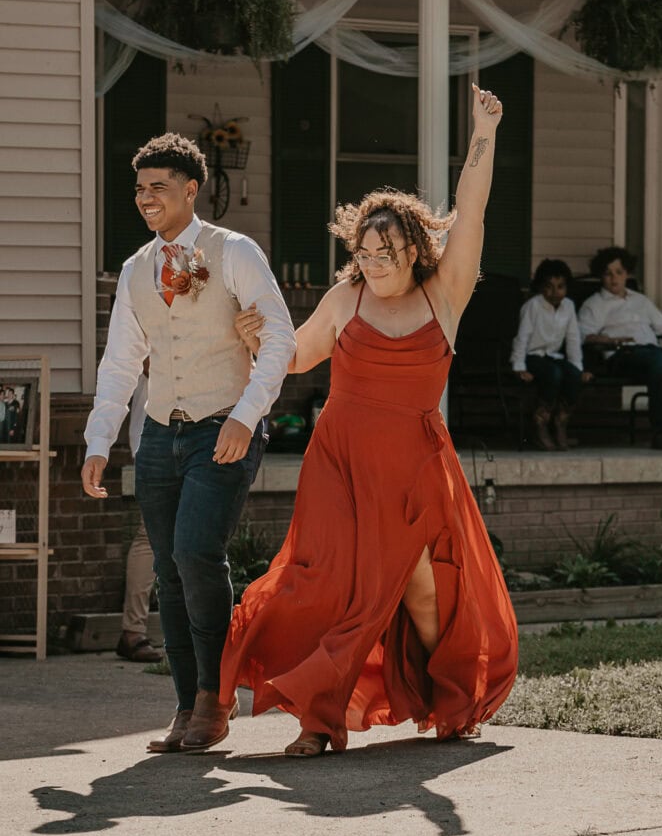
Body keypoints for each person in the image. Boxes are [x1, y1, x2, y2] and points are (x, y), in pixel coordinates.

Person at [223, 85, 518, 757]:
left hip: (413, 468)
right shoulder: (343, 296)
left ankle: (451, 699)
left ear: (412, 249)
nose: (373, 260)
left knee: (419, 591)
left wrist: (484, 131)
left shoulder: (443, 297)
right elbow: (297, 356)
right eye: (364, 250)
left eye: (385, 250)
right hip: (340, 462)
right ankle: (318, 721)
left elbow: (468, 211)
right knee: (324, 585)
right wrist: (255, 337)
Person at [81, 132, 296, 753]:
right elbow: (121, 363)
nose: (147, 198)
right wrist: (101, 441)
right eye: (141, 188)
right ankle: (184, 704)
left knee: (198, 554)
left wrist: (246, 416)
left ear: (191, 189)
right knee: (170, 570)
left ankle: (215, 696)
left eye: (160, 187)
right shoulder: (134, 270)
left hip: (222, 426)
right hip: (158, 436)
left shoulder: (234, 252)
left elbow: (278, 340)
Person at [578, 246, 662, 451]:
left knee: (659, 359)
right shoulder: (594, 304)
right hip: (622, 356)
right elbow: (583, 335)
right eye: (608, 273)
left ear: (627, 273)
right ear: (601, 276)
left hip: (652, 352)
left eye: (619, 272)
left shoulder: (640, 300)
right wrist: (610, 341)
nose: (614, 278)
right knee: (657, 361)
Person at [510, 258, 592, 450]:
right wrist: (519, 366)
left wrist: (577, 368)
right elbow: (522, 337)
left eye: (560, 287)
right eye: (549, 286)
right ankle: (540, 424)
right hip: (532, 356)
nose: (555, 292)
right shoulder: (533, 306)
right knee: (553, 374)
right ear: (540, 287)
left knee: (571, 374)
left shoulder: (569, 307)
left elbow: (572, 340)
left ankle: (560, 423)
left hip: (553, 357)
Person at [115, 364, 164, 664]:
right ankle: (132, 631)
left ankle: (135, 631)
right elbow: (149, 361)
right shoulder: (142, 315)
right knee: (151, 534)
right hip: (155, 437)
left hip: (204, 436)